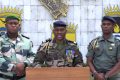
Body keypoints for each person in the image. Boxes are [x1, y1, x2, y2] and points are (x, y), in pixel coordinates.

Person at [0, 16, 34, 80]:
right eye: (10, 23)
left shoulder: (27, 41)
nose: (13, 25)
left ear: (19, 26)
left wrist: (24, 64)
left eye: (15, 23)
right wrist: (13, 67)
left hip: (23, 78)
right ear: (6, 25)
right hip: (4, 77)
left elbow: (32, 56)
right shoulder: (1, 40)